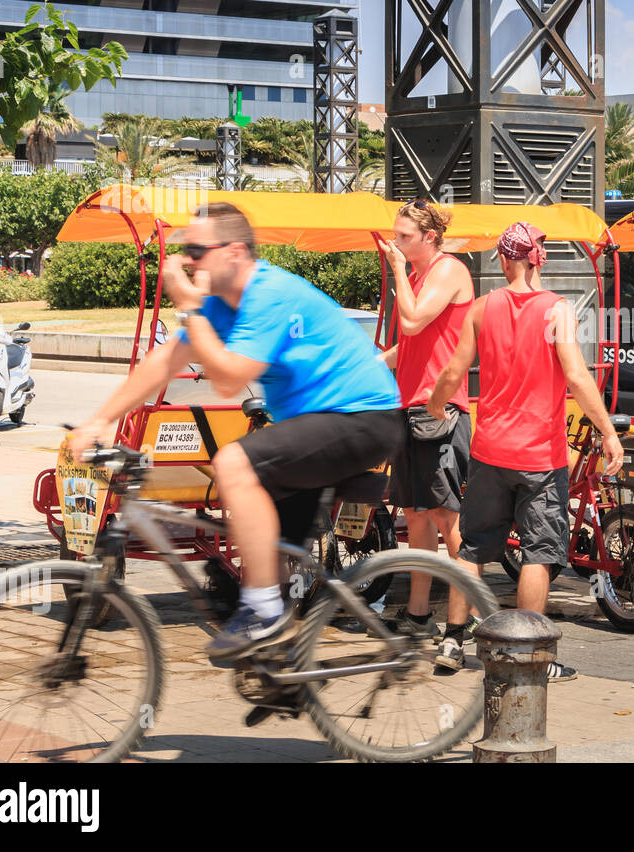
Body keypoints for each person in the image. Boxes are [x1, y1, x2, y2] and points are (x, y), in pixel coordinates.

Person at [69, 203, 405, 663]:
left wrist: (188, 308)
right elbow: (165, 360)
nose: (188, 261)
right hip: (315, 424)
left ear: (235, 251)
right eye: (185, 251)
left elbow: (228, 379)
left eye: (196, 250)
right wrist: (99, 420)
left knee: (233, 462)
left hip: (361, 418)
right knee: (264, 553)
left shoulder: (268, 294)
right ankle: (282, 664)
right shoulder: (220, 304)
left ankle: (266, 615)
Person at [425, 222, 623, 682]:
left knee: (472, 547)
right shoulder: (558, 310)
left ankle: (453, 640)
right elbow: (575, 376)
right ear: (539, 258)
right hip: (539, 458)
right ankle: (531, 655)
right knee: (538, 552)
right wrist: (608, 432)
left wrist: (435, 405)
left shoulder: (479, 308)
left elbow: (454, 371)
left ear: (502, 259)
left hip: (490, 451)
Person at [377, 199, 475, 646]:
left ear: (429, 238)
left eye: (404, 237)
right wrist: (373, 363)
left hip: (441, 410)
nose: (395, 244)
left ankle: (463, 618)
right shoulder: (419, 277)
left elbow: (414, 322)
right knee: (417, 515)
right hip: (411, 408)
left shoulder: (449, 271)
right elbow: (410, 346)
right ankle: (419, 614)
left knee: (445, 515)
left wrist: (397, 271)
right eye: (395, 236)